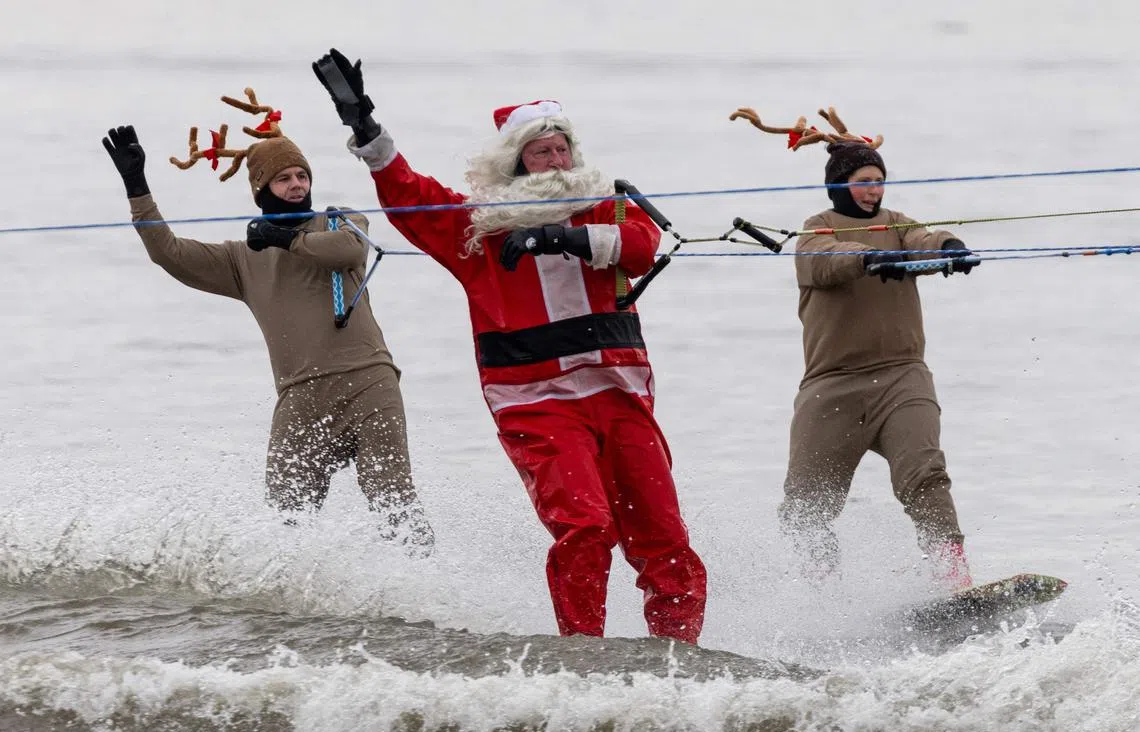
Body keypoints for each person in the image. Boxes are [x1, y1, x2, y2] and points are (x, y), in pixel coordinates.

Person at [312, 49, 706, 643]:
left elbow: (641, 245)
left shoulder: (605, 205)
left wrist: (560, 235)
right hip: (537, 403)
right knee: (586, 529)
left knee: (666, 540)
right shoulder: (476, 229)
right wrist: (365, 127)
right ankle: (581, 661)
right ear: (516, 162)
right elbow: (409, 196)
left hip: (622, 398)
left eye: (561, 148)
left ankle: (681, 665)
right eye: (540, 151)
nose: (555, 160)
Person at [100, 91, 434, 557]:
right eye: (283, 179)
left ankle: (424, 593)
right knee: (285, 523)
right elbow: (169, 255)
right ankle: (291, 616)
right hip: (300, 397)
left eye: (302, 175)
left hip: (369, 385)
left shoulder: (340, 221)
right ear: (261, 189)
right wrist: (138, 188)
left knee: (393, 505)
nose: (297, 184)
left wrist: (284, 238)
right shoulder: (242, 258)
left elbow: (347, 253)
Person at [742, 107, 978, 591]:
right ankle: (824, 596)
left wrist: (949, 248)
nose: (874, 190)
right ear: (838, 185)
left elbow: (921, 239)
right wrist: (871, 258)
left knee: (925, 475)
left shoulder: (896, 223)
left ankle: (954, 579)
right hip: (833, 388)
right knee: (805, 506)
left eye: (879, 181)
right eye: (864, 181)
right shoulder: (815, 231)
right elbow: (828, 263)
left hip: (902, 377)